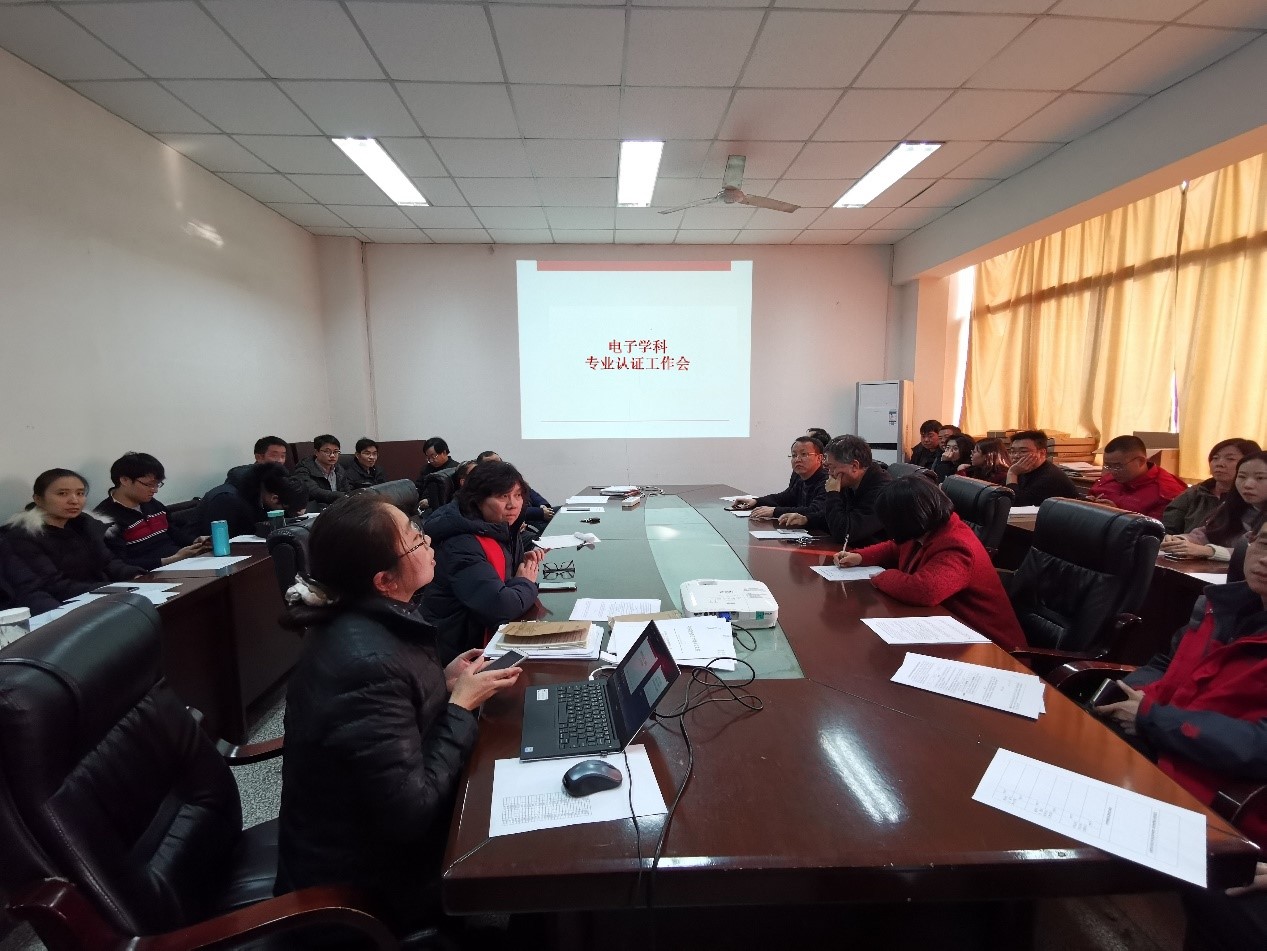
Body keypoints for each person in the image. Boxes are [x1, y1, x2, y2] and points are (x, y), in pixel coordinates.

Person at [274, 493, 521, 935]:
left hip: (371, 840)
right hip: (369, 887)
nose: (429, 543)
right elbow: (412, 812)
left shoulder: (371, 620)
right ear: (384, 580)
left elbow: (393, 715)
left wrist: (442, 683)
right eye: (415, 541)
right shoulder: (363, 663)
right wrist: (460, 706)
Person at [1094, 527, 1267, 849]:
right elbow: (1164, 663)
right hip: (1152, 750)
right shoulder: (1223, 606)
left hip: (1210, 795)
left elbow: (1260, 745)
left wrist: (1151, 718)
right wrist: (1134, 695)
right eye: (1265, 543)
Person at [834, 476, 1027, 650]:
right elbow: (895, 547)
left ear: (907, 519)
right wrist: (860, 556)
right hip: (950, 632)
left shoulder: (957, 546)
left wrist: (882, 577)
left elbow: (923, 590)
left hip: (992, 649)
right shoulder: (927, 528)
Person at [422, 461, 544, 663]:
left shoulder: (496, 526)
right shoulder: (461, 542)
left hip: (478, 634)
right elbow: (500, 607)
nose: (513, 504)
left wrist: (518, 564)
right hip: (457, 652)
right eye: (503, 496)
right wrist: (525, 582)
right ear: (477, 500)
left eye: (518, 495)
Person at [4, 468, 142, 602]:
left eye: (80, 493)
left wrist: (136, 575)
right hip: (71, 603)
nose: (74, 500)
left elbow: (108, 561)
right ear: (38, 499)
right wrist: (115, 588)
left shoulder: (83, 524)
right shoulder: (24, 536)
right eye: (62, 494)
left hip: (105, 594)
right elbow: (54, 585)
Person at [93, 452, 209, 570]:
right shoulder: (105, 518)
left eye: (157, 484)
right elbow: (118, 564)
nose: (155, 490)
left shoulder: (152, 504)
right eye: (149, 485)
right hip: (147, 574)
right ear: (124, 480)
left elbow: (172, 532)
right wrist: (170, 560)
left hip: (180, 563)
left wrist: (196, 541)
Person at [783, 434, 890, 547]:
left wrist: (833, 493)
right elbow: (834, 516)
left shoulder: (881, 491)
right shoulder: (849, 482)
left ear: (854, 466)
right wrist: (807, 519)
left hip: (871, 553)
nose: (829, 473)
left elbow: (844, 533)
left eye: (832, 468)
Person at [1162, 451, 1267, 562]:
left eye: (1260, 478)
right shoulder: (1231, 505)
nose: (1247, 485)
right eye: (1242, 476)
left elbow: (1258, 553)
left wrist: (1209, 551)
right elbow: (1208, 533)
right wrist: (1180, 540)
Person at [1163, 438, 1261, 534]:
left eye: (1230, 459)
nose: (1219, 464)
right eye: (1215, 458)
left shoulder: (1255, 499)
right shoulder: (1195, 493)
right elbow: (1168, 527)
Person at [1087, 434, 1187, 519]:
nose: (1112, 472)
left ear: (1141, 461)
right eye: (1108, 466)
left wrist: (1118, 516)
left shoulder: (1166, 492)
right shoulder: (1109, 480)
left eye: (1118, 466)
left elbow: (1155, 531)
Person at [195, 462, 307, 537]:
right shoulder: (226, 499)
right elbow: (216, 542)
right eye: (284, 510)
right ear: (274, 499)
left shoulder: (262, 494)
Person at [731, 436, 828, 521]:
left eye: (804, 454)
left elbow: (814, 510)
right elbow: (786, 497)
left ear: (819, 458)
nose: (797, 459)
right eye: (794, 455)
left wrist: (775, 511)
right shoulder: (798, 476)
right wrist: (756, 501)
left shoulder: (827, 481)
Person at [1004, 430, 1082, 506]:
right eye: (1013, 452)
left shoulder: (1050, 477)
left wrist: (1012, 473)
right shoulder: (1021, 470)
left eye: (1023, 451)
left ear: (1042, 453)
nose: (1016, 456)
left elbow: (1015, 504)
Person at [294, 435, 350, 506]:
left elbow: (347, 490)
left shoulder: (339, 469)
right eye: (327, 451)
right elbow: (313, 491)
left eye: (336, 452)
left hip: (337, 507)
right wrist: (340, 496)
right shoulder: (303, 469)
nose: (332, 455)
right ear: (316, 452)